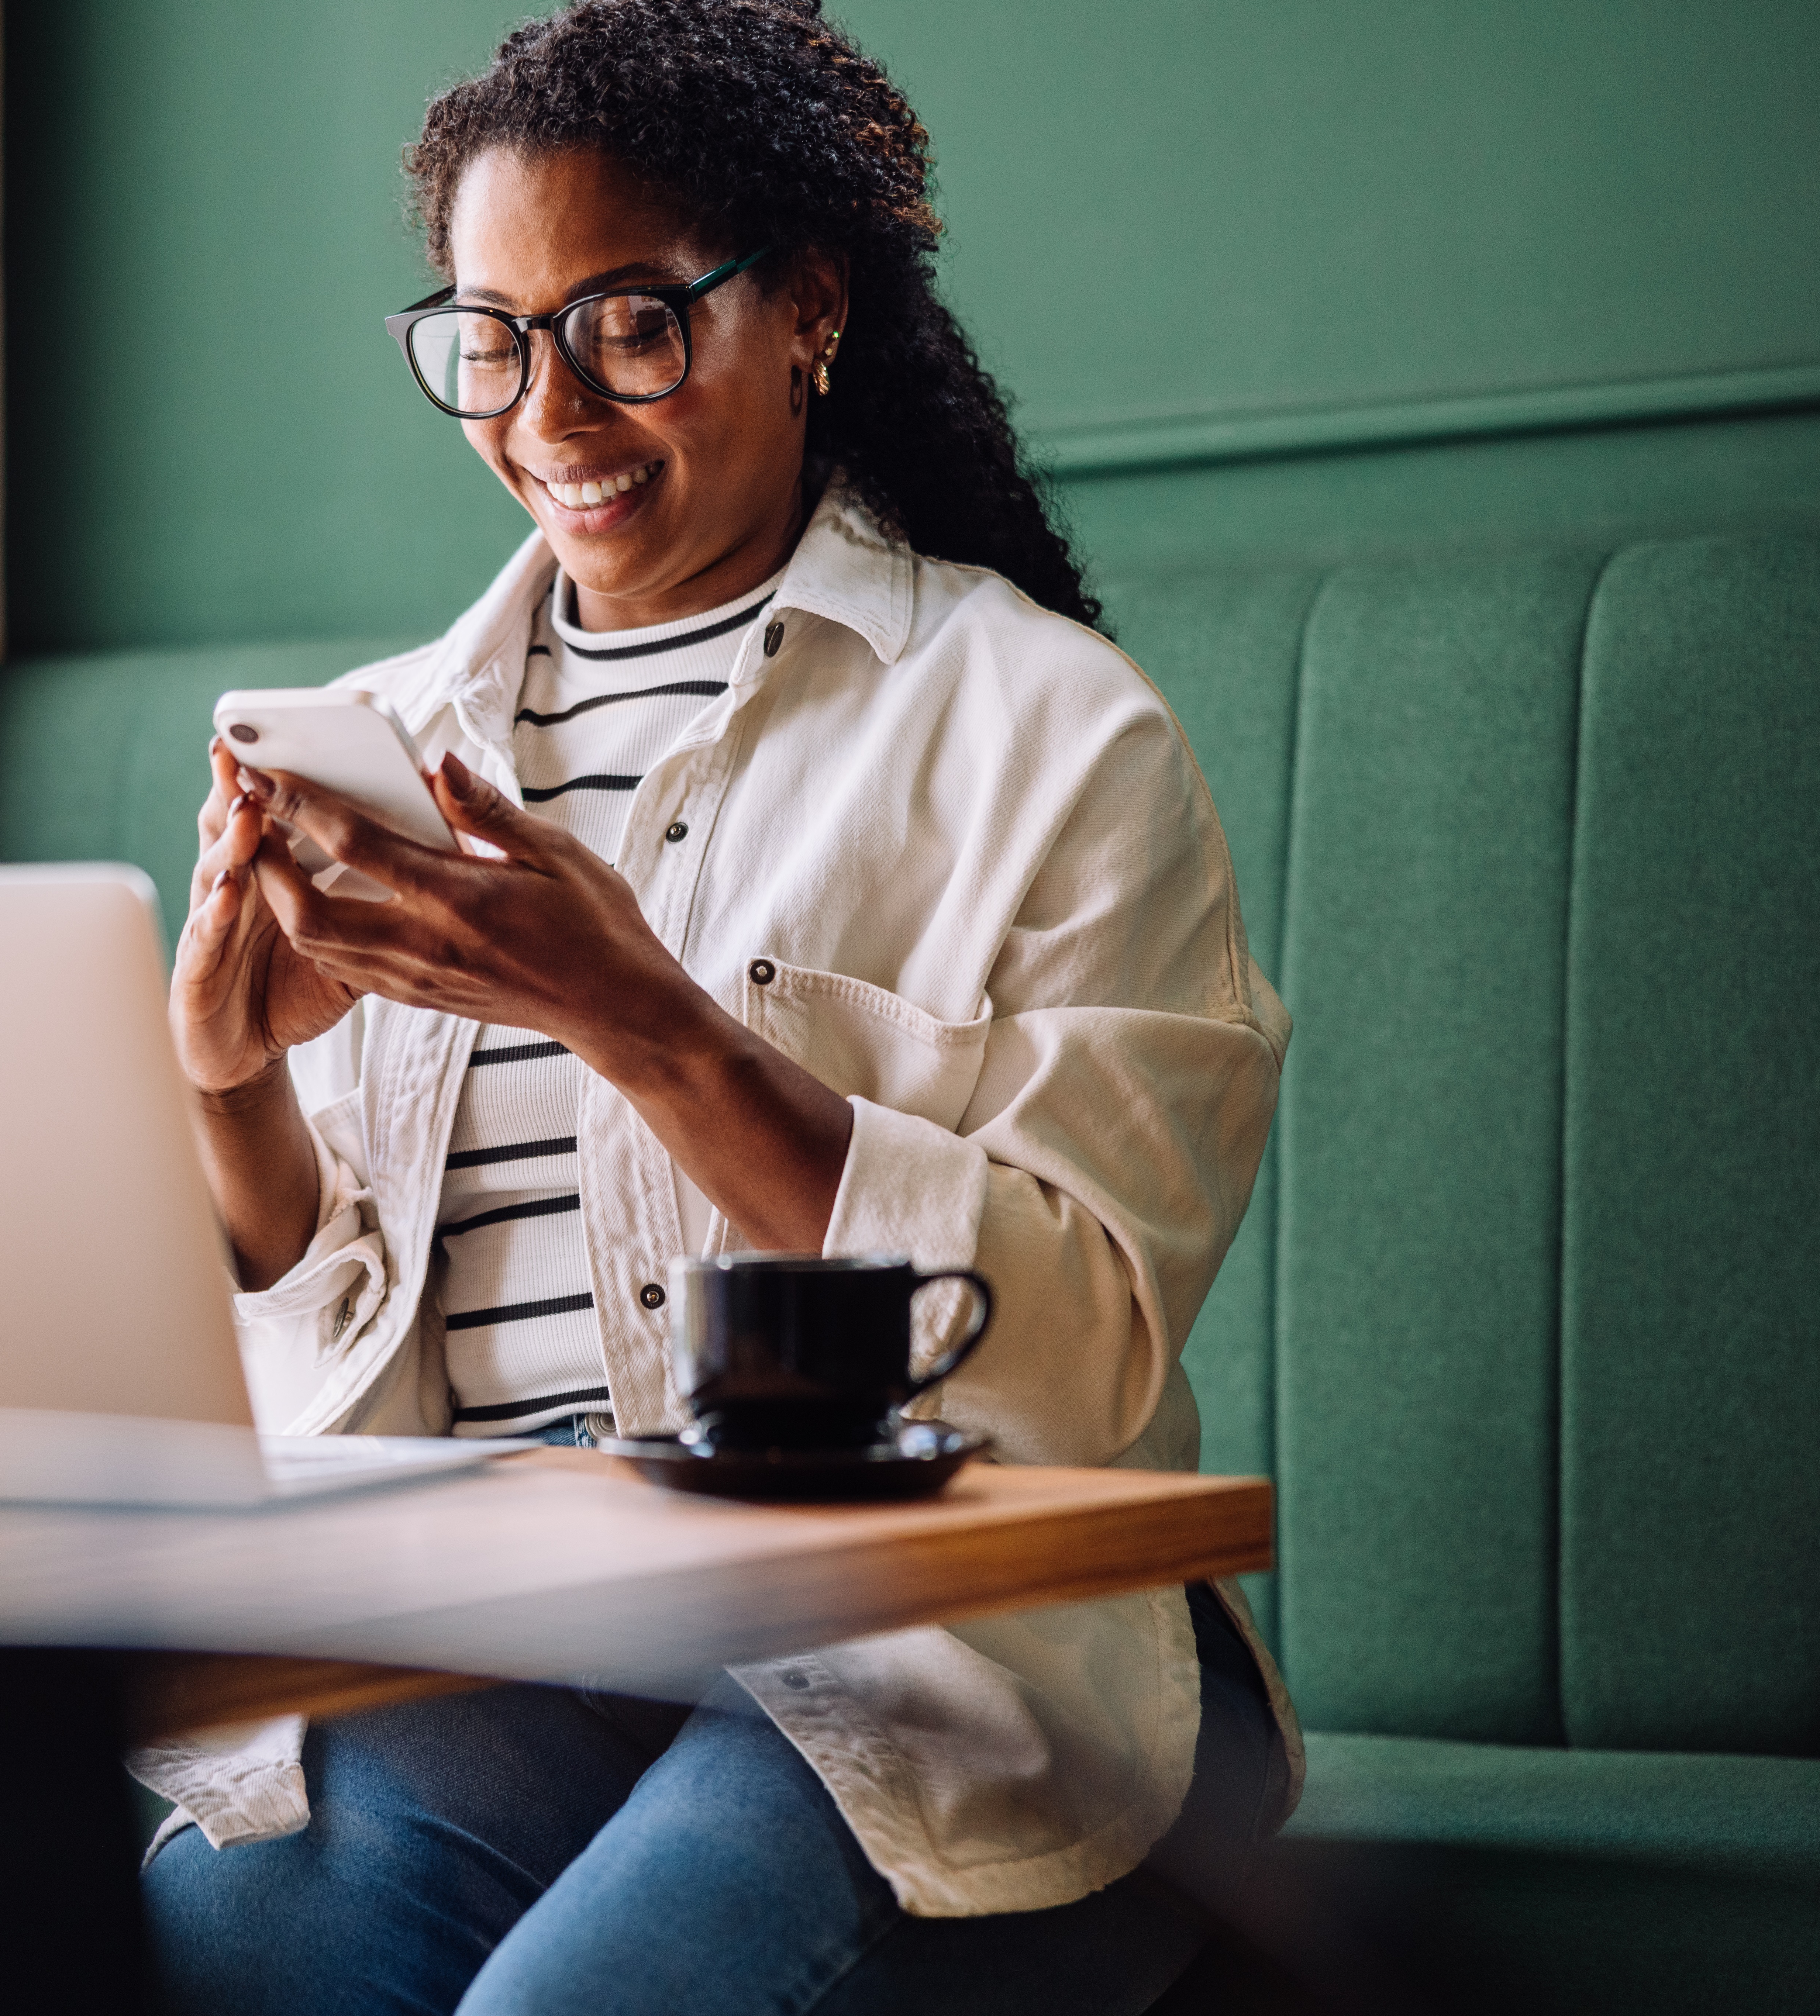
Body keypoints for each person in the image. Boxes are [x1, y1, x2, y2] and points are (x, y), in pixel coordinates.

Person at [138, 3, 1299, 2009]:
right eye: (492, 341)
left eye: (632, 325)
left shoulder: (1040, 730)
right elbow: (320, 1351)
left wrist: (651, 1024)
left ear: (808, 311)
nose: (549, 412)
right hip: (522, 1626)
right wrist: (230, 1087)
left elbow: (1087, 1357)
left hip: (936, 1642)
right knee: (222, 1921)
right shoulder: (392, 750)